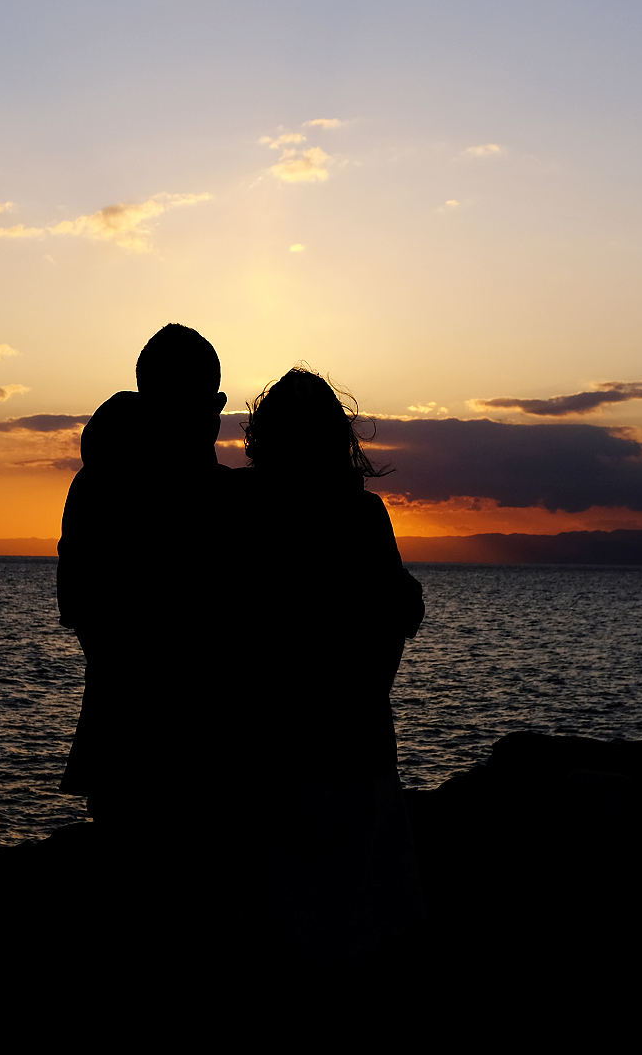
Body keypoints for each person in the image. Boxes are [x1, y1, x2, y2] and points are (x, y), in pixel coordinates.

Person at [232, 366, 427, 959]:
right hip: (353, 743)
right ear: (337, 437)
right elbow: (393, 616)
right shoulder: (361, 515)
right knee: (358, 925)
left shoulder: (241, 511)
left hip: (269, 748)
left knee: (282, 925)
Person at [55, 323, 232, 822]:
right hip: (211, 756)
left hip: (119, 746)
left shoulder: (93, 491)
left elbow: (77, 607)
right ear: (215, 406)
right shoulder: (231, 502)